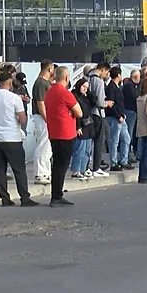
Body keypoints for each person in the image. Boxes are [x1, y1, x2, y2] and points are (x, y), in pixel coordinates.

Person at [0, 70, 39, 207]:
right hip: (13, 137)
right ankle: (24, 198)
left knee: (0, 169)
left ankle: (5, 198)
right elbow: (23, 119)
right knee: (19, 169)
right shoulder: (14, 98)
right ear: (9, 83)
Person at [45, 66, 82, 207]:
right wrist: (71, 113)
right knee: (62, 165)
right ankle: (56, 196)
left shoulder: (49, 91)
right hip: (65, 133)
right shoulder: (65, 93)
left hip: (53, 132)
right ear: (66, 78)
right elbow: (79, 112)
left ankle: (57, 194)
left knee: (57, 165)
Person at [87, 62, 112, 177]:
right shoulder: (99, 81)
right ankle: (96, 167)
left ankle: (87, 166)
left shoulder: (88, 78)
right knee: (99, 141)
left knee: (89, 141)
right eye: (106, 72)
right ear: (102, 69)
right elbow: (101, 102)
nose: (106, 75)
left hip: (89, 112)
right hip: (98, 113)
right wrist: (108, 103)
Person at [31, 59, 54, 185]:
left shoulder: (45, 83)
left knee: (47, 146)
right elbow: (41, 103)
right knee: (43, 145)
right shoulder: (40, 83)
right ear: (49, 69)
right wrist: (47, 119)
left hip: (46, 118)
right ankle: (39, 173)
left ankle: (45, 172)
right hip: (42, 118)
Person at [105, 66, 133, 171]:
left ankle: (124, 160)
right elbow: (111, 104)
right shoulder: (111, 87)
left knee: (126, 138)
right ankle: (114, 162)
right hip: (115, 118)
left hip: (121, 117)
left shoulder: (117, 87)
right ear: (118, 75)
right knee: (114, 140)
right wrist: (118, 115)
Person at [69, 78, 95, 181]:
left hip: (88, 125)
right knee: (79, 149)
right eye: (83, 87)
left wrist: (88, 92)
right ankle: (76, 171)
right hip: (80, 125)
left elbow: (94, 100)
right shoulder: (74, 96)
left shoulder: (85, 97)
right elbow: (76, 113)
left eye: (87, 87)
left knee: (87, 150)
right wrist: (77, 127)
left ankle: (83, 169)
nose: (85, 89)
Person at [122, 69, 141, 161]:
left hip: (131, 111)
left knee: (131, 134)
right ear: (136, 77)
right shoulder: (129, 86)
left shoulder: (130, 85)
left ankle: (127, 155)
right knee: (128, 133)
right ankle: (127, 155)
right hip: (130, 111)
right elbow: (135, 97)